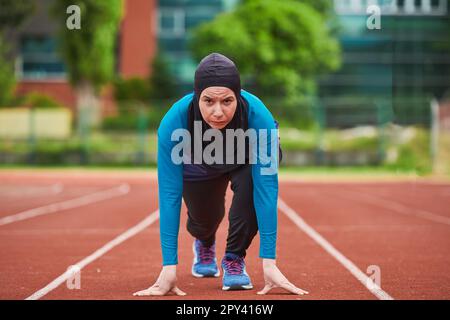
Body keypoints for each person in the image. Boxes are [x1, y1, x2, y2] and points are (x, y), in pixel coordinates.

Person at [133, 53, 308, 296]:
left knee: (252, 191)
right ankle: (204, 241)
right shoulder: (174, 123)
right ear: (196, 97)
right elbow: (169, 194)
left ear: (238, 96)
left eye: (227, 101)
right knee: (204, 219)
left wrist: (269, 262)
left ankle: (234, 259)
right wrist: (169, 267)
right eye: (208, 101)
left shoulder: (260, 118)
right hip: (199, 163)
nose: (218, 112)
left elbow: (267, 189)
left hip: (245, 160)